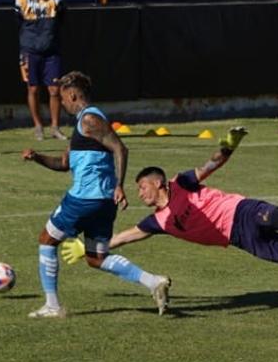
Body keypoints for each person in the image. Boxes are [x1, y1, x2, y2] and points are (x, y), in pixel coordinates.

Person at [61, 127, 278, 313]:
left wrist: (228, 146)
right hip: (240, 239)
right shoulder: (157, 221)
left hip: (244, 211)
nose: (141, 192)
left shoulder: (181, 183)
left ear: (158, 182)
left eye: (143, 186)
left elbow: (210, 165)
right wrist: (88, 245)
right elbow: (126, 236)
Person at [22, 71, 170, 318]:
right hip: (102, 204)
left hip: (84, 199)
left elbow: (120, 148)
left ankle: (52, 306)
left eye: (62, 98)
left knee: (46, 240)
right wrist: (36, 157)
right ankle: (153, 282)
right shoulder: (83, 123)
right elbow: (63, 163)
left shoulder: (89, 119)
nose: (61, 103)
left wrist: (120, 185)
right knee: (96, 258)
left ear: (72, 95)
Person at [15, 0, 66, 142]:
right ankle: (38, 126)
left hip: (51, 50)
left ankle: (55, 127)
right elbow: (18, 22)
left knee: (54, 89)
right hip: (30, 50)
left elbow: (63, 18)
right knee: (33, 88)